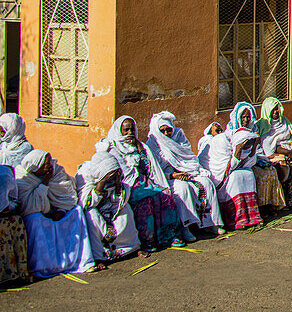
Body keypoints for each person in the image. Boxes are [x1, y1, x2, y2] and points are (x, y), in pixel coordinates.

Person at [101, 116, 186, 251]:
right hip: (127, 185)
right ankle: (148, 240)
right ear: (119, 131)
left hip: (144, 181)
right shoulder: (113, 148)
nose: (129, 133)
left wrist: (140, 148)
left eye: (132, 130)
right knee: (145, 201)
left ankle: (169, 236)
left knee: (165, 195)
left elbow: (149, 167)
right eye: (126, 130)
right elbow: (122, 172)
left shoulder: (141, 146)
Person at [15, 149, 94, 278]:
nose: (49, 166)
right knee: (34, 219)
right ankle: (43, 267)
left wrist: (61, 210)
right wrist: (44, 183)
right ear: (35, 166)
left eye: (49, 162)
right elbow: (29, 207)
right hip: (40, 216)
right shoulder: (22, 179)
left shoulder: (56, 172)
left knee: (77, 212)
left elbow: (68, 196)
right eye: (45, 164)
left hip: (58, 212)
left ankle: (81, 261)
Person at [145, 112, 222, 237]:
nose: (166, 134)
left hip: (187, 172)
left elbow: (189, 159)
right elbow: (154, 172)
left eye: (168, 130)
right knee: (183, 188)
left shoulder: (179, 138)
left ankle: (211, 223)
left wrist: (189, 172)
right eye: (162, 130)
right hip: (167, 177)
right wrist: (174, 175)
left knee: (207, 183)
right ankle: (186, 227)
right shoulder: (152, 145)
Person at [75, 149, 141, 268]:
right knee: (91, 216)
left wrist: (116, 185)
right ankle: (99, 256)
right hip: (94, 209)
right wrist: (101, 185)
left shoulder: (116, 177)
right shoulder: (85, 175)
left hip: (111, 208)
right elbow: (84, 203)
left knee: (126, 211)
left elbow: (120, 198)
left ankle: (129, 248)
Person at [199, 116, 263, 230]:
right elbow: (226, 168)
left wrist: (253, 147)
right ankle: (236, 219)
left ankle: (251, 217)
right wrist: (238, 150)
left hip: (230, 170)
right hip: (218, 175)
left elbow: (248, 164)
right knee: (235, 177)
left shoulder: (238, 140)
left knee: (248, 173)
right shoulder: (221, 141)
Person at [227, 103, 286, 213]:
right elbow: (232, 151)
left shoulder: (253, 129)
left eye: (248, 117)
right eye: (243, 117)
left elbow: (258, 150)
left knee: (271, 171)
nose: (246, 119)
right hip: (238, 163)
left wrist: (262, 160)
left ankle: (270, 204)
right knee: (258, 175)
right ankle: (260, 207)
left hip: (254, 159)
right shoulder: (231, 131)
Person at [255, 98, 292, 206]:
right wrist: (286, 152)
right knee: (289, 169)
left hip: (291, 150)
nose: (276, 112)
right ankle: (289, 201)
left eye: (277, 109)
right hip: (275, 154)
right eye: (273, 110)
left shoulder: (284, 121)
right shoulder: (263, 125)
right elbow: (267, 145)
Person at [0, 165, 29, 283]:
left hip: (8, 219)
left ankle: (15, 272)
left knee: (16, 221)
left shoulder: (5, 173)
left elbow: (12, 203)